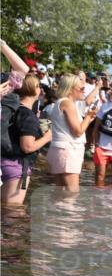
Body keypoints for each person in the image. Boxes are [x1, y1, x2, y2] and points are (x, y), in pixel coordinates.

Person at [2, 75, 50, 206]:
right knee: (12, 211)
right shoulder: (27, 114)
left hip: (5, 162)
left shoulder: (13, 109)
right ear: (34, 90)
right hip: (17, 167)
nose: (41, 89)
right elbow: (27, 147)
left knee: (5, 208)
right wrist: (47, 137)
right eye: (39, 86)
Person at [46, 74, 98, 192]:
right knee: (72, 193)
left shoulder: (60, 102)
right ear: (70, 89)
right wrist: (89, 116)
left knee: (60, 193)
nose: (84, 91)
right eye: (81, 88)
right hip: (68, 151)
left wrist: (88, 118)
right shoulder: (67, 104)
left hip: (60, 149)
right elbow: (78, 132)